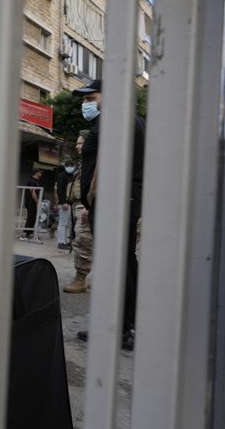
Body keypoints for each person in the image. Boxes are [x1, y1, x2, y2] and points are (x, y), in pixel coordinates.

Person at [73, 79, 145, 350]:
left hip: (114, 199)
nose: (86, 104)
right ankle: (126, 325)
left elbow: (109, 161)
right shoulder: (134, 120)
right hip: (125, 198)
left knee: (116, 262)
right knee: (125, 260)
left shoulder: (112, 121)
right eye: (84, 99)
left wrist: (93, 196)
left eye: (90, 98)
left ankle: (118, 328)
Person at [63, 133, 93, 293]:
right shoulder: (85, 162)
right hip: (80, 205)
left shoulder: (96, 161)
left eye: (80, 143)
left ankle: (80, 279)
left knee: (83, 240)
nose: (77, 146)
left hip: (87, 206)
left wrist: (89, 207)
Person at [53, 160, 75, 249]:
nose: (70, 167)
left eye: (72, 165)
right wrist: (63, 202)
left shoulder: (73, 176)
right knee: (63, 223)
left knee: (68, 224)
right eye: (68, 165)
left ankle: (65, 241)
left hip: (70, 203)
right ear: (65, 166)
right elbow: (59, 190)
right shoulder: (62, 176)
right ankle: (61, 242)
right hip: (64, 203)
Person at [20, 168, 43, 240]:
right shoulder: (32, 181)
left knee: (33, 217)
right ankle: (25, 234)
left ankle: (30, 233)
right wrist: (37, 201)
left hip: (32, 202)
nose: (41, 174)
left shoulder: (35, 181)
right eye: (40, 172)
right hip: (30, 202)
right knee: (31, 217)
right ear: (36, 173)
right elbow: (33, 193)